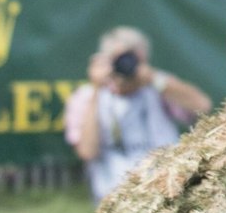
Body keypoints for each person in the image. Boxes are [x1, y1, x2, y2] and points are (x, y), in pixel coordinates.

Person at [65, 27, 211, 203]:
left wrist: (154, 79)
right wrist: (98, 88)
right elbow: (87, 152)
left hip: (166, 194)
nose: (126, 66)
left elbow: (203, 106)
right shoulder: (88, 97)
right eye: (119, 59)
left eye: (131, 59)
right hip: (113, 199)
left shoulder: (157, 86)